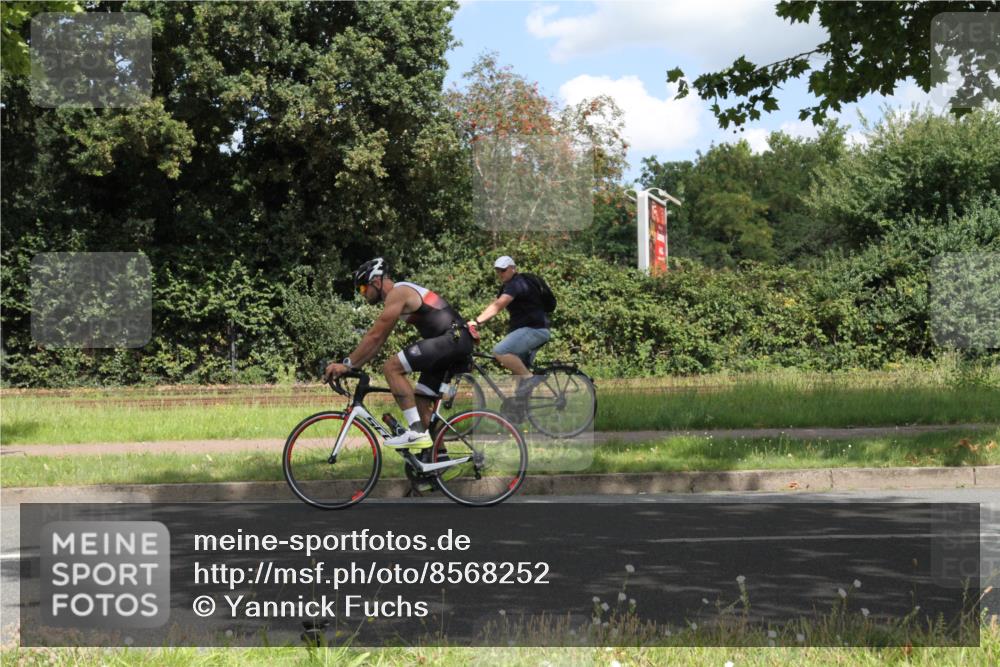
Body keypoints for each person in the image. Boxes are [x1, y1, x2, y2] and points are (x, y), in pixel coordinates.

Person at [324, 258, 474, 448]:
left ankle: (416, 432)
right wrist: (353, 366)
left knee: (391, 368)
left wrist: (347, 364)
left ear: (376, 282)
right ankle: (437, 457)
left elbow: (375, 336)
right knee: (420, 401)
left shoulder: (398, 293)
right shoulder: (398, 295)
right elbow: (378, 342)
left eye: (362, 288)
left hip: (452, 339)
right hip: (453, 341)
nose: (362, 294)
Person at [468, 255, 550, 395]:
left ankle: (531, 379)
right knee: (519, 378)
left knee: (500, 351)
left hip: (534, 330)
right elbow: (494, 306)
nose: (500, 273)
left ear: (513, 269)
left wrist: (476, 321)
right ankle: (519, 406)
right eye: (498, 271)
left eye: (503, 270)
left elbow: (497, 306)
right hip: (529, 330)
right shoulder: (509, 285)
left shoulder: (516, 284)